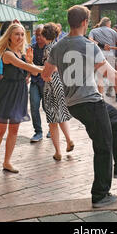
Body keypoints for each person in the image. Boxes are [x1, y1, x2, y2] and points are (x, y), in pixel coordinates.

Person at [41, 5, 117, 209]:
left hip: (74, 104)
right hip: (91, 102)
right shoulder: (89, 46)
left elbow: (45, 74)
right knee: (103, 146)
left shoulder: (58, 47)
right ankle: (100, 195)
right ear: (85, 22)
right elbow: (109, 73)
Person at [0, 23, 43, 174]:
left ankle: (7, 161)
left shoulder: (23, 54)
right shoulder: (8, 54)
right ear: (9, 36)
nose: (20, 37)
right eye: (17, 34)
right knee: (1, 129)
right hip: (6, 92)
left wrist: (30, 61)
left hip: (20, 92)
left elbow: (32, 73)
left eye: (22, 34)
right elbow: (31, 70)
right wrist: (47, 69)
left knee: (14, 129)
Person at [41, 23, 74, 160]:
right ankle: (68, 139)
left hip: (51, 83)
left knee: (52, 120)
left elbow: (50, 68)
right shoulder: (61, 47)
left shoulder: (48, 49)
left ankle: (58, 152)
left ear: (44, 35)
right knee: (61, 114)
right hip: (62, 82)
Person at [89, 17, 117, 101]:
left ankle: (101, 96)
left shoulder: (93, 31)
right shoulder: (113, 31)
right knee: (112, 75)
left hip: (99, 55)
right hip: (110, 55)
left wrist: (100, 45)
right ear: (108, 24)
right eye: (110, 24)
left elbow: (90, 40)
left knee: (99, 76)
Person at [29, 25, 50, 143]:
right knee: (34, 106)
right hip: (35, 82)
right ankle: (38, 132)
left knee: (47, 107)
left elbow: (49, 68)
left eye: (41, 35)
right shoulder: (31, 48)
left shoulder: (50, 48)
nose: (38, 37)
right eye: (36, 35)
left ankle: (52, 128)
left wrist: (34, 67)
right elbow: (28, 65)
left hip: (47, 83)